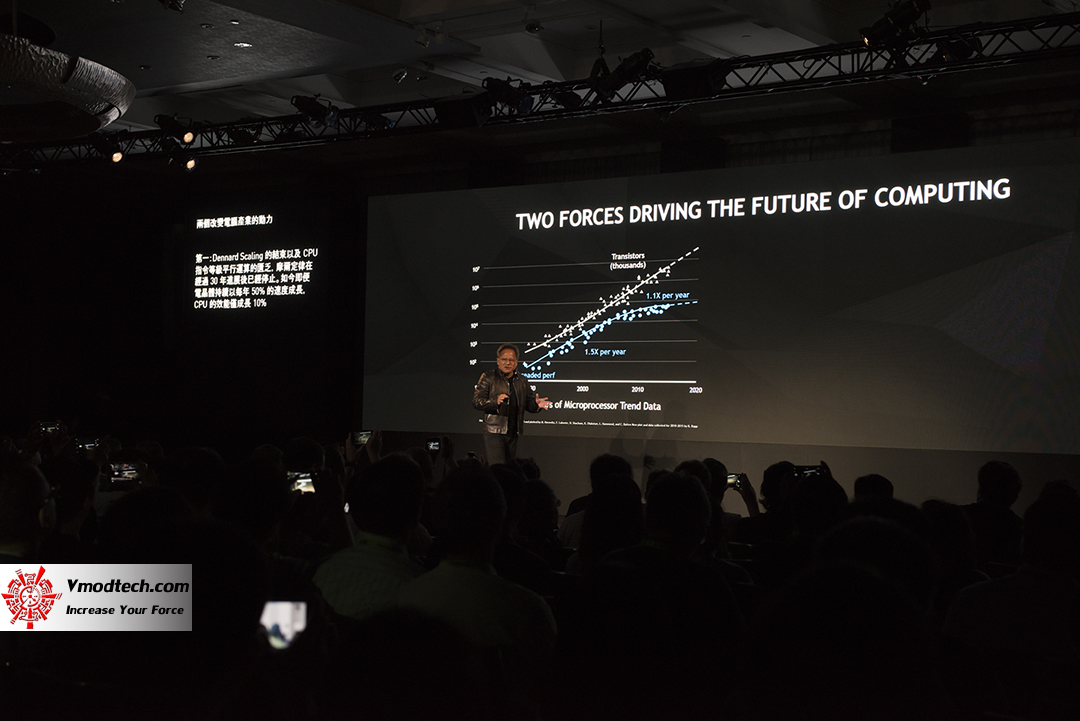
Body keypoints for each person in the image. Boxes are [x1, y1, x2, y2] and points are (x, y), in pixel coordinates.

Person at [472, 343, 551, 465]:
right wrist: (495, 401)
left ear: (516, 362)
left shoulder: (522, 381)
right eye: (504, 359)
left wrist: (536, 405)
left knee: (510, 468)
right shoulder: (488, 377)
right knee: (498, 467)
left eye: (511, 360)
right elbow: (477, 401)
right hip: (494, 431)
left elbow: (529, 405)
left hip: (514, 432)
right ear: (498, 361)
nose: (507, 363)